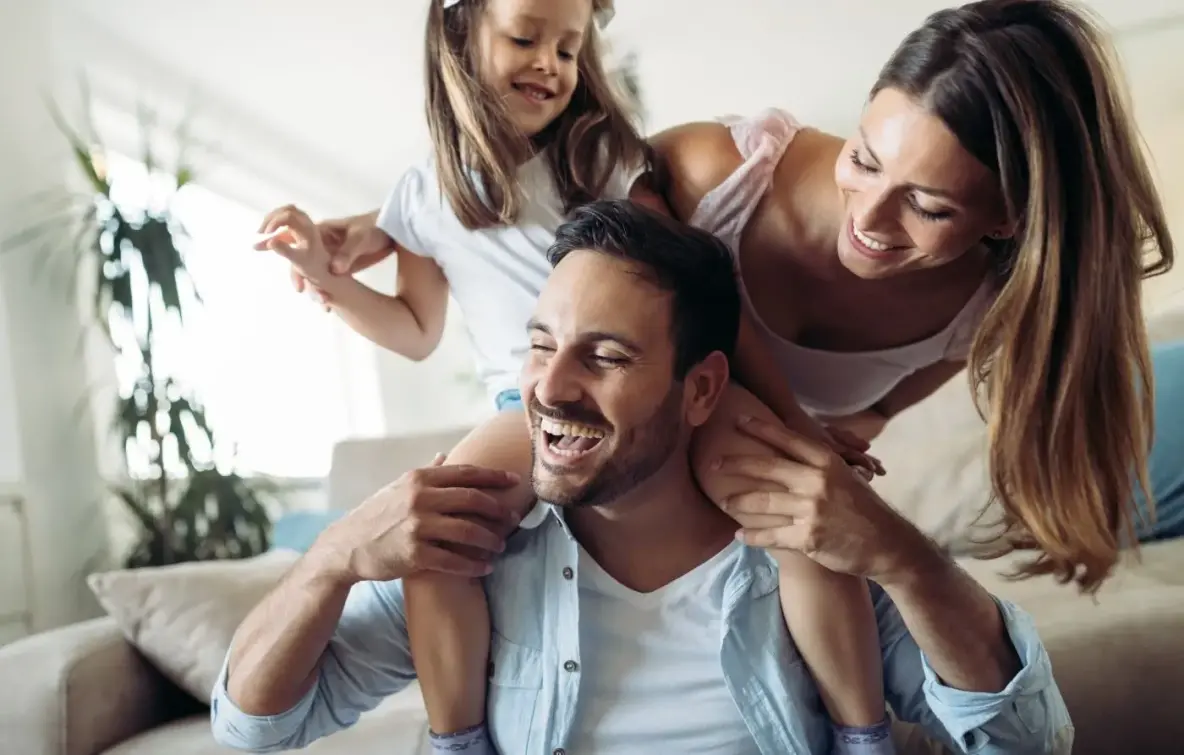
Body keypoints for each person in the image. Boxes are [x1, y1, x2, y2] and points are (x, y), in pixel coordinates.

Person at [312, 0, 1176, 590]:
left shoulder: (988, 314)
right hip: (612, 466)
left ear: (1009, 220)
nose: (869, 220)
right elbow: (552, 192)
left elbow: (865, 425)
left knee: (818, 560)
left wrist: (833, 449)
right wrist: (395, 222)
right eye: (866, 160)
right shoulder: (707, 171)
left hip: (737, 506)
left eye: (930, 204)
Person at [256, 0, 892, 750]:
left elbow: (698, 303)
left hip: (653, 378)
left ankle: (863, 734)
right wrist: (318, 274)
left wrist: (797, 429)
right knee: (442, 538)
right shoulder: (422, 196)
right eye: (526, 37)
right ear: (459, 36)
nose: (549, 65)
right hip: (522, 406)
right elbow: (414, 330)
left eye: (567, 48)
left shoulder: (600, 160)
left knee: (798, 522)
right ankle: (456, 738)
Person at [214, 200, 1073, 755]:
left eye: (607, 355)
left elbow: (1028, 741)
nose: (547, 388)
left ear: (700, 388)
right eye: (542, 343)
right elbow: (251, 727)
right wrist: (332, 556)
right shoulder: (473, 540)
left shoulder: (802, 541)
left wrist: (906, 559)